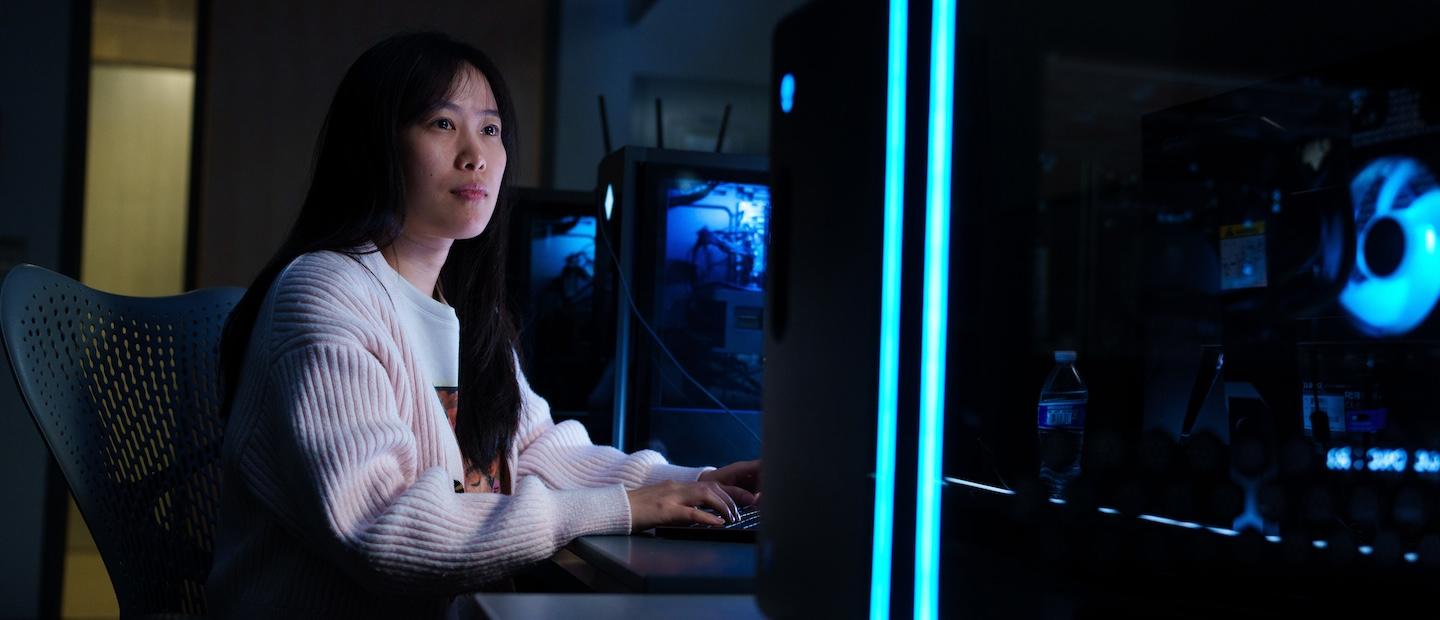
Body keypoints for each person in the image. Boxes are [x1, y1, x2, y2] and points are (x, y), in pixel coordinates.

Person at [207, 32, 761, 618]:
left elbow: (537, 451)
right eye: (443, 124)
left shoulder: (461, 309)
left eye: (491, 130)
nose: (476, 154)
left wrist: (699, 482)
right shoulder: (324, 293)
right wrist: (625, 506)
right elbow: (386, 530)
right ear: (375, 145)